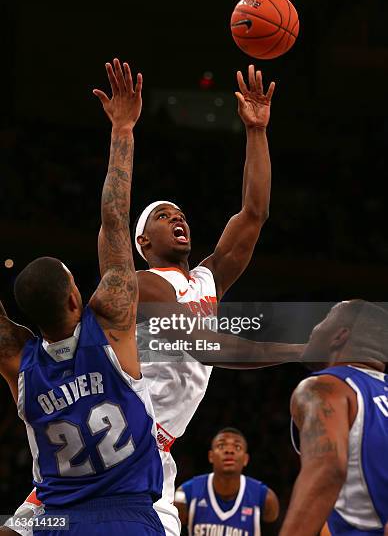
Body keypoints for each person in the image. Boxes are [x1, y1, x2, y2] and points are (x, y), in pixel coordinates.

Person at [5, 65, 303, 536]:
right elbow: (214, 346)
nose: (177, 219)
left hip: (135, 456)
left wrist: (256, 130)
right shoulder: (144, 286)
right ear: (143, 243)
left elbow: (254, 212)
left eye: (181, 214)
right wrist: (299, 347)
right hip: (120, 458)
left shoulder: (208, 280)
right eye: (164, 216)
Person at [0, 59, 165, 535]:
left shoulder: (17, 361)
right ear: (77, 299)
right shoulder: (110, 320)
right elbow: (115, 220)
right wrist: (123, 129)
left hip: (54, 520)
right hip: (128, 515)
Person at [280, 300, 388, 536]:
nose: (313, 329)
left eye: (323, 320)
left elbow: (327, 472)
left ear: (339, 336)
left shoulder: (324, 387)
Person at [175, 427, 279, 535]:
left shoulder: (266, 498)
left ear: (245, 459)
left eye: (237, 447)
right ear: (211, 456)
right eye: (221, 446)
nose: (229, 451)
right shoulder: (184, 493)